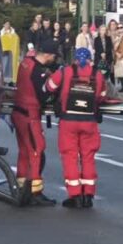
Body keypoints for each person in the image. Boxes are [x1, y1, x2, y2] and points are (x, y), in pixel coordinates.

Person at [46, 47, 109, 208]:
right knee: (88, 156)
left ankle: (75, 195)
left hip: (68, 121)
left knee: (70, 157)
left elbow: (50, 87)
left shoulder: (66, 71)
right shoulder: (98, 74)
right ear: (90, 59)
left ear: (74, 59)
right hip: (89, 121)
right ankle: (88, 194)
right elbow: (102, 96)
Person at [11, 37, 60, 207]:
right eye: (54, 56)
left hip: (18, 112)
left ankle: (21, 186)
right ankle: (35, 192)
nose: (55, 59)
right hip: (30, 115)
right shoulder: (38, 72)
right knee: (36, 151)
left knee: (24, 151)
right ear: (47, 55)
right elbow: (44, 94)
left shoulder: (26, 62)